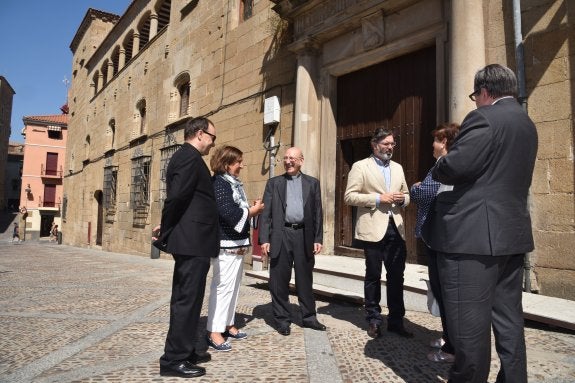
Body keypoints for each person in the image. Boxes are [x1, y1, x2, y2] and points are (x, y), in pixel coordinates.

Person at [422, 64, 538, 383]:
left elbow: (457, 166)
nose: (474, 102)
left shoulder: (484, 117)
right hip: (510, 237)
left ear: (485, 92)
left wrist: (441, 163)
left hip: (471, 240)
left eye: (475, 96)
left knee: (468, 331)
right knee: (509, 323)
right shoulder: (526, 123)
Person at [155, 117, 219, 379]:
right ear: (201, 134)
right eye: (213, 137)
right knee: (185, 300)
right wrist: (166, 228)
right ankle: (173, 360)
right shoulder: (188, 157)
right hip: (192, 241)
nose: (214, 144)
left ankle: (186, 348)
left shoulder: (190, 158)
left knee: (191, 301)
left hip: (197, 241)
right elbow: (177, 198)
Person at [344, 128, 412, 339]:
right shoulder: (360, 166)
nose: (390, 147)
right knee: (373, 276)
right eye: (386, 144)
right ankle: (373, 319)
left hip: (396, 229)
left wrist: (403, 199)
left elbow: (407, 194)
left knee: (396, 277)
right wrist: (376, 199)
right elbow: (349, 196)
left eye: (392, 144)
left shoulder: (398, 168)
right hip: (373, 229)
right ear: (375, 145)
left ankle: (396, 321)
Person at [259, 147, 325, 336]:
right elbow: (266, 214)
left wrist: (318, 238)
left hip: (304, 235)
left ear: (301, 161)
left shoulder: (312, 183)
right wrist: (264, 239)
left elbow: (317, 213)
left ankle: (309, 318)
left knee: (305, 279)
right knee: (279, 280)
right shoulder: (274, 183)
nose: (288, 161)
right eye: (285, 158)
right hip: (281, 235)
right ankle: (282, 320)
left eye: (292, 158)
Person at [206, 146, 264, 352]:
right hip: (225, 245)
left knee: (233, 288)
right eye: (238, 161)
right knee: (222, 288)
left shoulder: (233, 183)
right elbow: (228, 213)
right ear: (227, 163)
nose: (242, 165)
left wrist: (250, 210)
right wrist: (252, 210)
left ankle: (228, 324)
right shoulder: (219, 183)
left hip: (237, 244)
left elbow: (236, 209)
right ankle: (214, 331)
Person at [410, 123, 460, 363]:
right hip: (437, 238)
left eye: (436, 140)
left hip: (441, 239)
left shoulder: (445, 165)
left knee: (446, 293)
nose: (432, 144)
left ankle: (452, 348)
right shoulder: (442, 165)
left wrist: (415, 187)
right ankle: (448, 337)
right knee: (441, 293)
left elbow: (421, 193)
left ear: (445, 143)